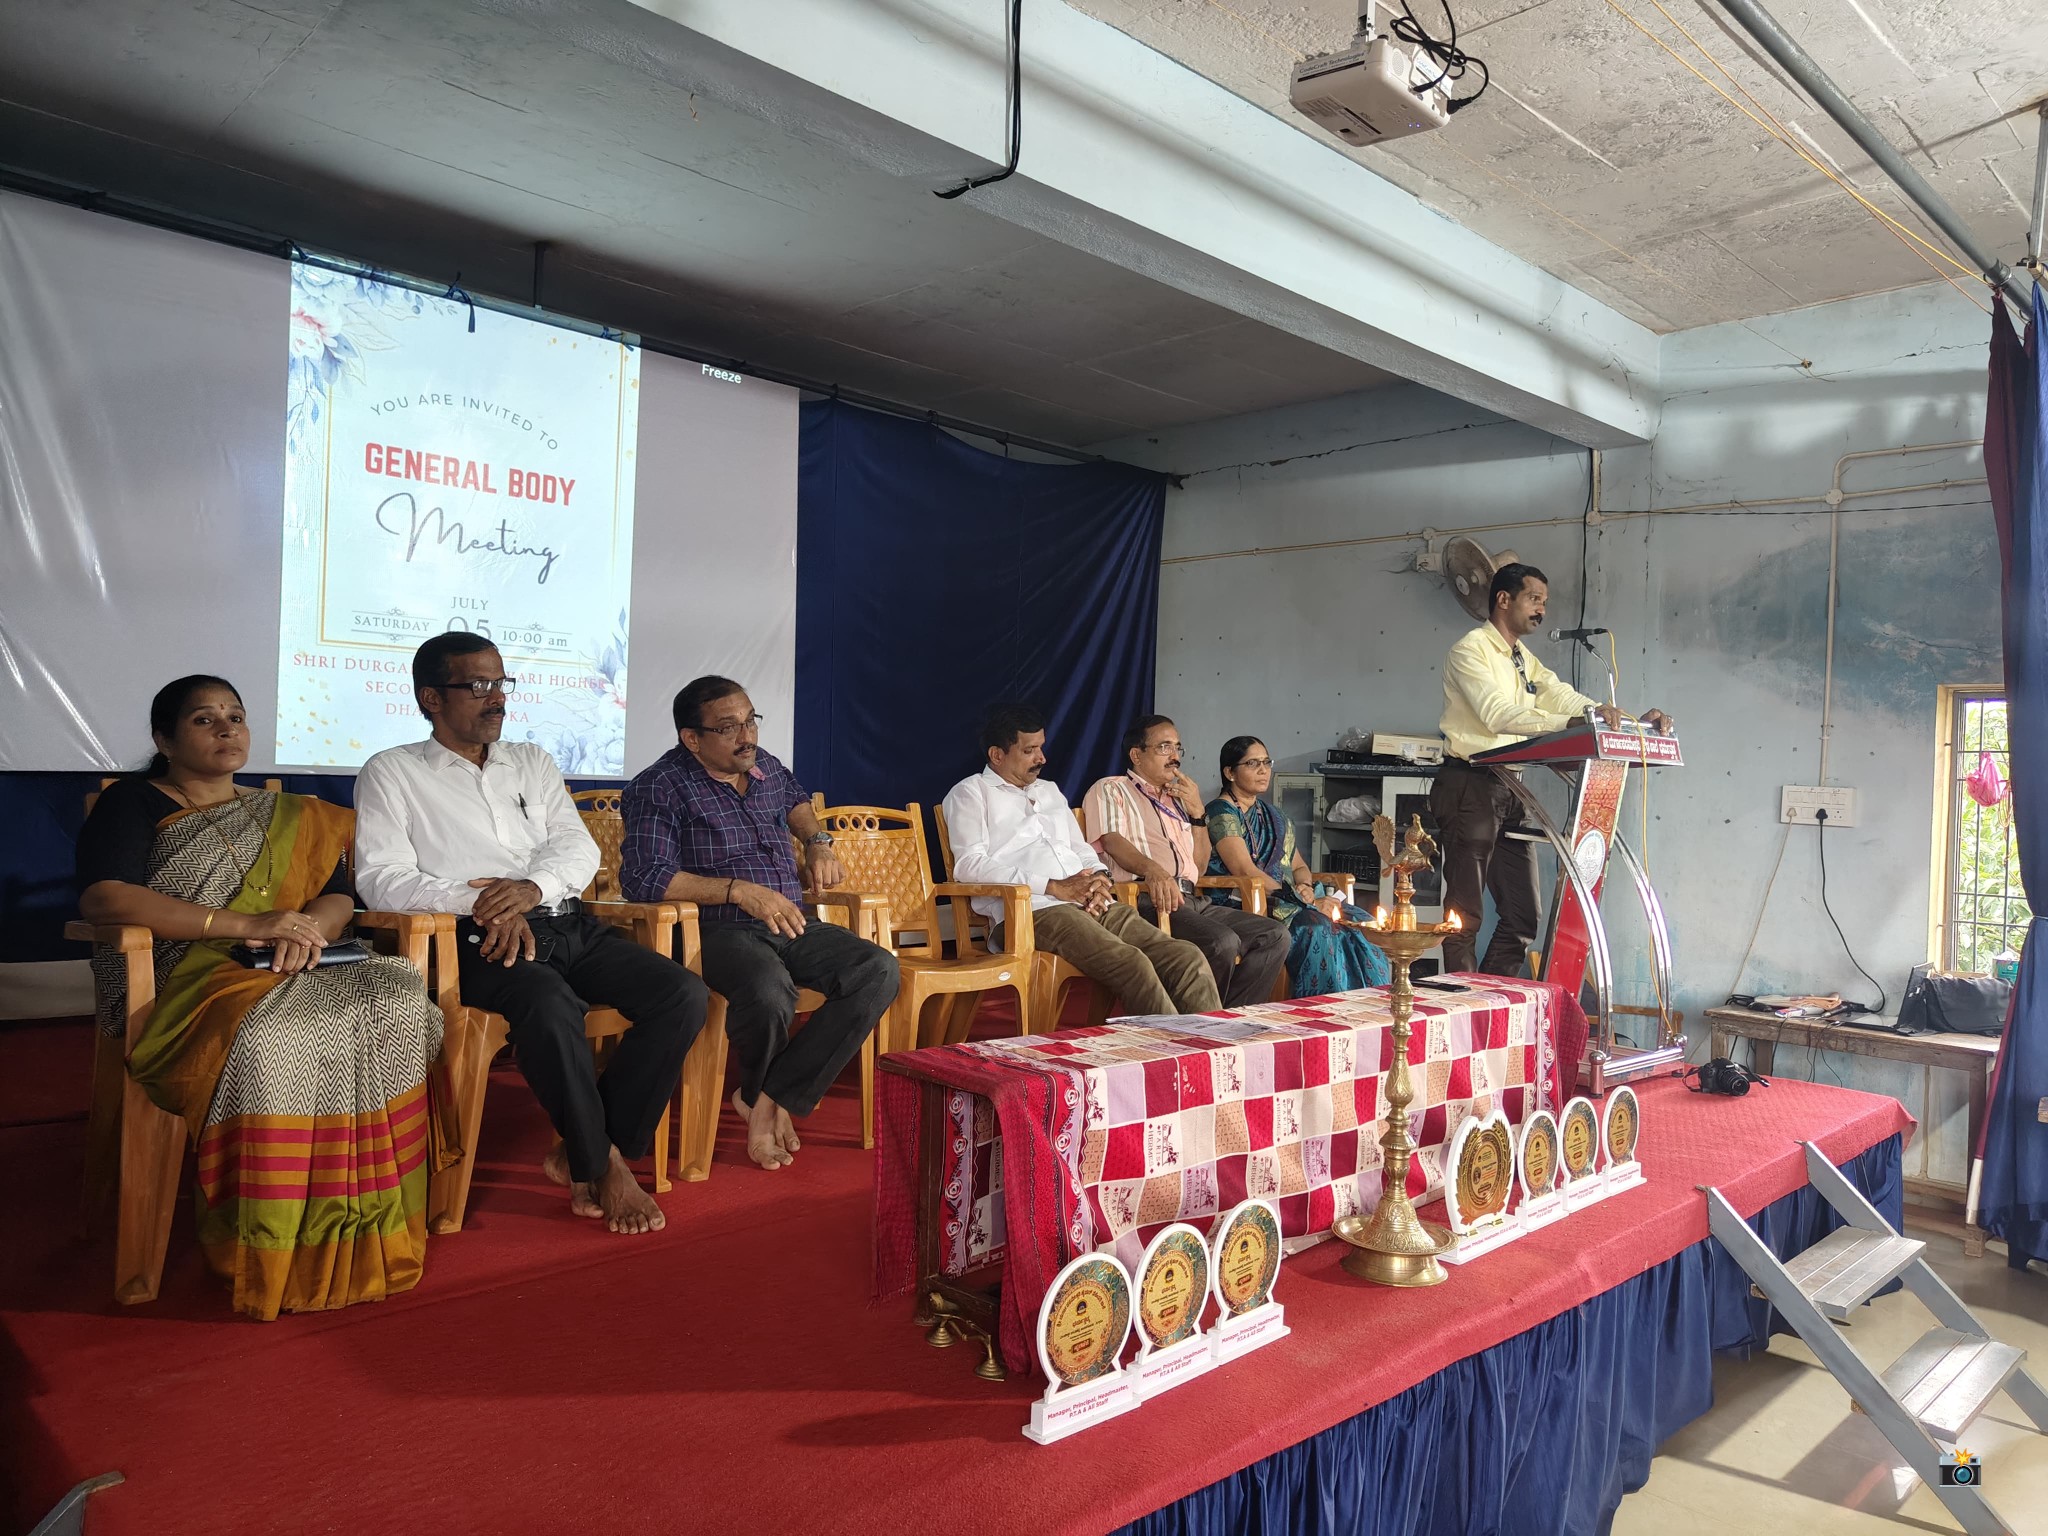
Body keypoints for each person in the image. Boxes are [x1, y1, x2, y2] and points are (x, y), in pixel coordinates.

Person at [74, 675, 452, 1319]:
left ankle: (368, 1221)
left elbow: (336, 894)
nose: (227, 729)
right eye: (204, 719)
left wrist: (304, 933)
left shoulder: (293, 812)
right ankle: (272, 1237)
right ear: (165, 739)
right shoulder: (133, 803)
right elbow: (105, 897)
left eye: (236, 716)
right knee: (278, 1034)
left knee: (398, 998)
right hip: (188, 973)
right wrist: (248, 924)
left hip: (293, 957)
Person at [354, 633, 706, 1235]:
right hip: (475, 937)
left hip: (564, 921)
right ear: (431, 698)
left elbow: (577, 848)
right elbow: (381, 879)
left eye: (500, 683)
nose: (497, 698)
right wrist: (485, 902)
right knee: (549, 1004)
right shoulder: (392, 772)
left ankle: (591, 1147)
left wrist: (530, 889)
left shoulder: (531, 761)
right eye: (478, 685)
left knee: (682, 994)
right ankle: (603, 1166)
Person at [619, 676, 898, 1172]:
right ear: (692, 738)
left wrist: (817, 843)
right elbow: (644, 877)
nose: (747, 736)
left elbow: (797, 801)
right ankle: (766, 1101)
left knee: (877, 968)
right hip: (717, 929)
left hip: (790, 919)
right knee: (770, 992)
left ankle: (767, 1098)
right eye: (729, 728)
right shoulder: (659, 786)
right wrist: (737, 890)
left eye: (751, 721)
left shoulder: (762, 764)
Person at [1435, 562, 1673, 975]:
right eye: (1534, 599)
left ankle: (1497, 996)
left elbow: (1560, 696)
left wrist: (1614, 718)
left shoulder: (1521, 657)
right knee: (1465, 916)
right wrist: (1570, 723)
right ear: (1503, 599)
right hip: (1469, 784)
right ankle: (1464, 1002)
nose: (1541, 610)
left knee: (1523, 917)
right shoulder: (1470, 651)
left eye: (1544, 602)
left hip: (1512, 786)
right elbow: (1496, 714)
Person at [943, 704, 1219, 1018]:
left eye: (1041, 748)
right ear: (997, 755)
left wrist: (1100, 877)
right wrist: (1053, 886)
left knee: (1185, 956)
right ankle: (1169, 1046)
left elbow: (1081, 848)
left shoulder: (1049, 791)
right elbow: (969, 865)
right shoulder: (971, 793)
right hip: (1033, 911)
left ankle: (1210, 1043)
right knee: (1130, 962)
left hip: (1090, 901)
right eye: (1030, 751)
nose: (1042, 758)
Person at [1084, 716, 1288, 1009]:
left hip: (1190, 898)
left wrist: (1197, 814)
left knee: (1274, 935)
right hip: (1145, 898)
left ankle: (1227, 1017)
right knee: (1221, 942)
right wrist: (1153, 871)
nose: (1175, 757)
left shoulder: (1179, 798)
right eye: (1164, 747)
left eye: (1177, 747)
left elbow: (1199, 867)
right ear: (1136, 755)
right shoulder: (1111, 789)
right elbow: (1113, 842)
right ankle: (1201, 1021)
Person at [1205, 736, 1391, 997]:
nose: (1263, 770)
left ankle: (1368, 1003)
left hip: (1291, 899)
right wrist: (1304, 900)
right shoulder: (1221, 812)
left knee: (1362, 922)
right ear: (1230, 773)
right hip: (1245, 902)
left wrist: (1305, 887)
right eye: (1252, 763)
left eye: (1266, 762)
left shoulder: (1274, 816)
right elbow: (1245, 871)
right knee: (1318, 927)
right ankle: (1321, 1007)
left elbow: (1300, 867)